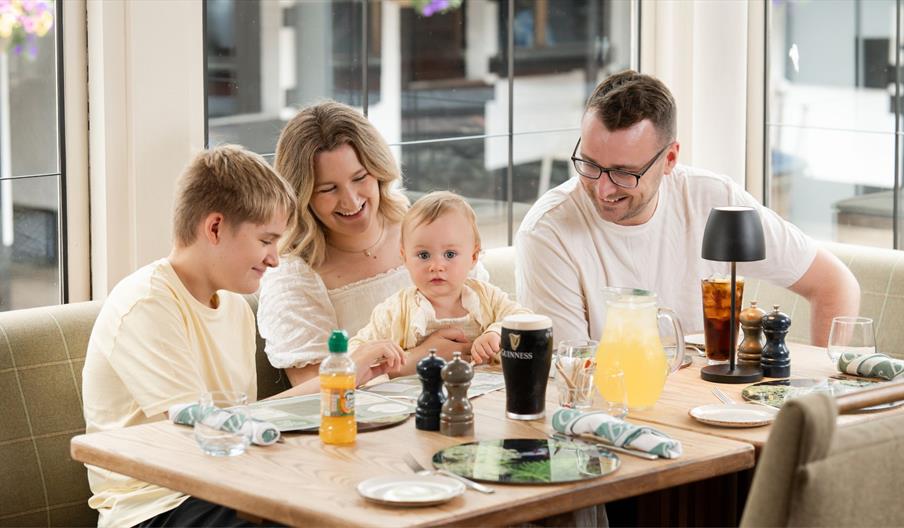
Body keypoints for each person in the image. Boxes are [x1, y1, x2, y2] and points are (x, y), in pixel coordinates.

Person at [80, 145, 403, 528]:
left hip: (228, 485)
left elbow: (239, 420)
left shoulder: (235, 306)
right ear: (215, 228)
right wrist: (339, 377)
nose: (274, 258)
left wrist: (344, 378)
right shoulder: (147, 303)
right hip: (157, 506)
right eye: (266, 241)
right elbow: (200, 427)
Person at [516, 70, 860, 346]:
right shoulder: (549, 231)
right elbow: (571, 373)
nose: (603, 189)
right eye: (589, 164)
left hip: (717, 402)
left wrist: (822, 393)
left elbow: (834, 284)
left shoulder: (713, 200)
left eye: (623, 173)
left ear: (669, 159)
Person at [258, 101, 488, 385]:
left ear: (378, 170)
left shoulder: (420, 228)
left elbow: (485, 310)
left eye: (360, 178)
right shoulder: (294, 277)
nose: (351, 201)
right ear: (302, 195)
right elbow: (312, 389)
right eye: (328, 189)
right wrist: (416, 360)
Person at [350, 191, 531, 369]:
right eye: (423, 255)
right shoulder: (394, 311)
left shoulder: (487, 298)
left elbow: (526, 319)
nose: (436, 266)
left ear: (473, 257)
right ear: (404, 258)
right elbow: (354, 353)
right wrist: (388, 357)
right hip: (419, 388)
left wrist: (497, 332)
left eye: (449, 254)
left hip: (484, 387)